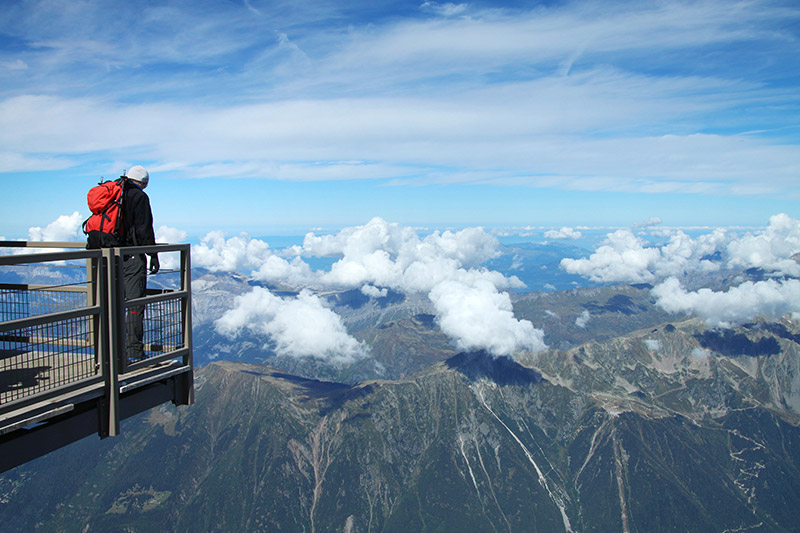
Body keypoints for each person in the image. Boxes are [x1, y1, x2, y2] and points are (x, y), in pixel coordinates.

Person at [122, 165, 159, 361]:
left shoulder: (114, 193)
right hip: (131, 258)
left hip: (105, 256)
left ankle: (110, 351)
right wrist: (153, 255)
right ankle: (134, 351)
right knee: (135, 305)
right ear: (144, 182)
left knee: (111, 304)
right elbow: (145, 229)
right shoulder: (139, 197)